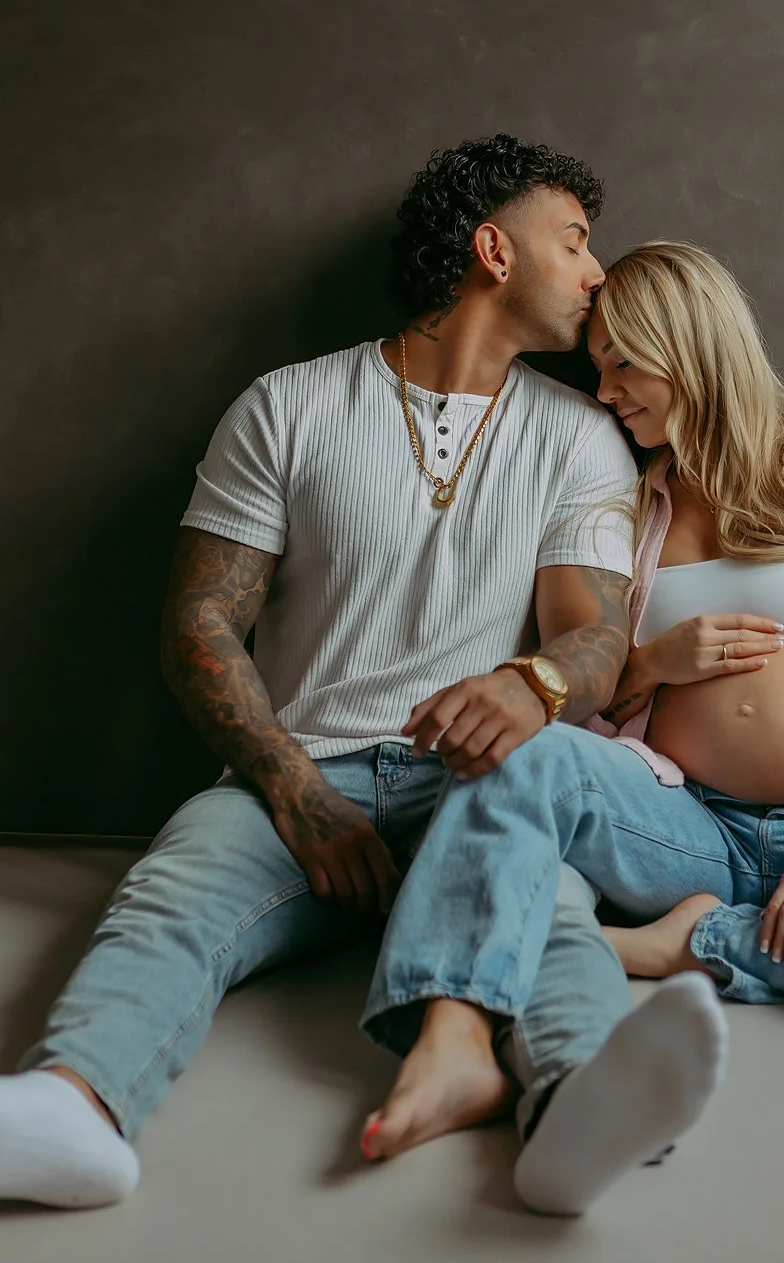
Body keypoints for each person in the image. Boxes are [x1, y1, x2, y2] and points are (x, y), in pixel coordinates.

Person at [1, 135, 722, 1215]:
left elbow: (596, 634)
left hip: (479, 780)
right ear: (492, 249)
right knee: (170, 893)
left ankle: (573, 1104)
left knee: (552, 907)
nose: (595, 272)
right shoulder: (288, 406)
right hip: (299, 771)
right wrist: (296, 796)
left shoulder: (581, 439)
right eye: (574, 241)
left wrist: (530, 684)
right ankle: (72, 1110)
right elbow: (198, 623)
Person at [361, 240, 784, 1214]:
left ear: (689, 343)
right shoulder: (627, 497)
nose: (605, 390)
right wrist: (653, 664)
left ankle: (702, 945)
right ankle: (445, 1033)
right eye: (596, 367)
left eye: (624, 363)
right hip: (679, 821)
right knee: (517, 755)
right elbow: (586, 683)